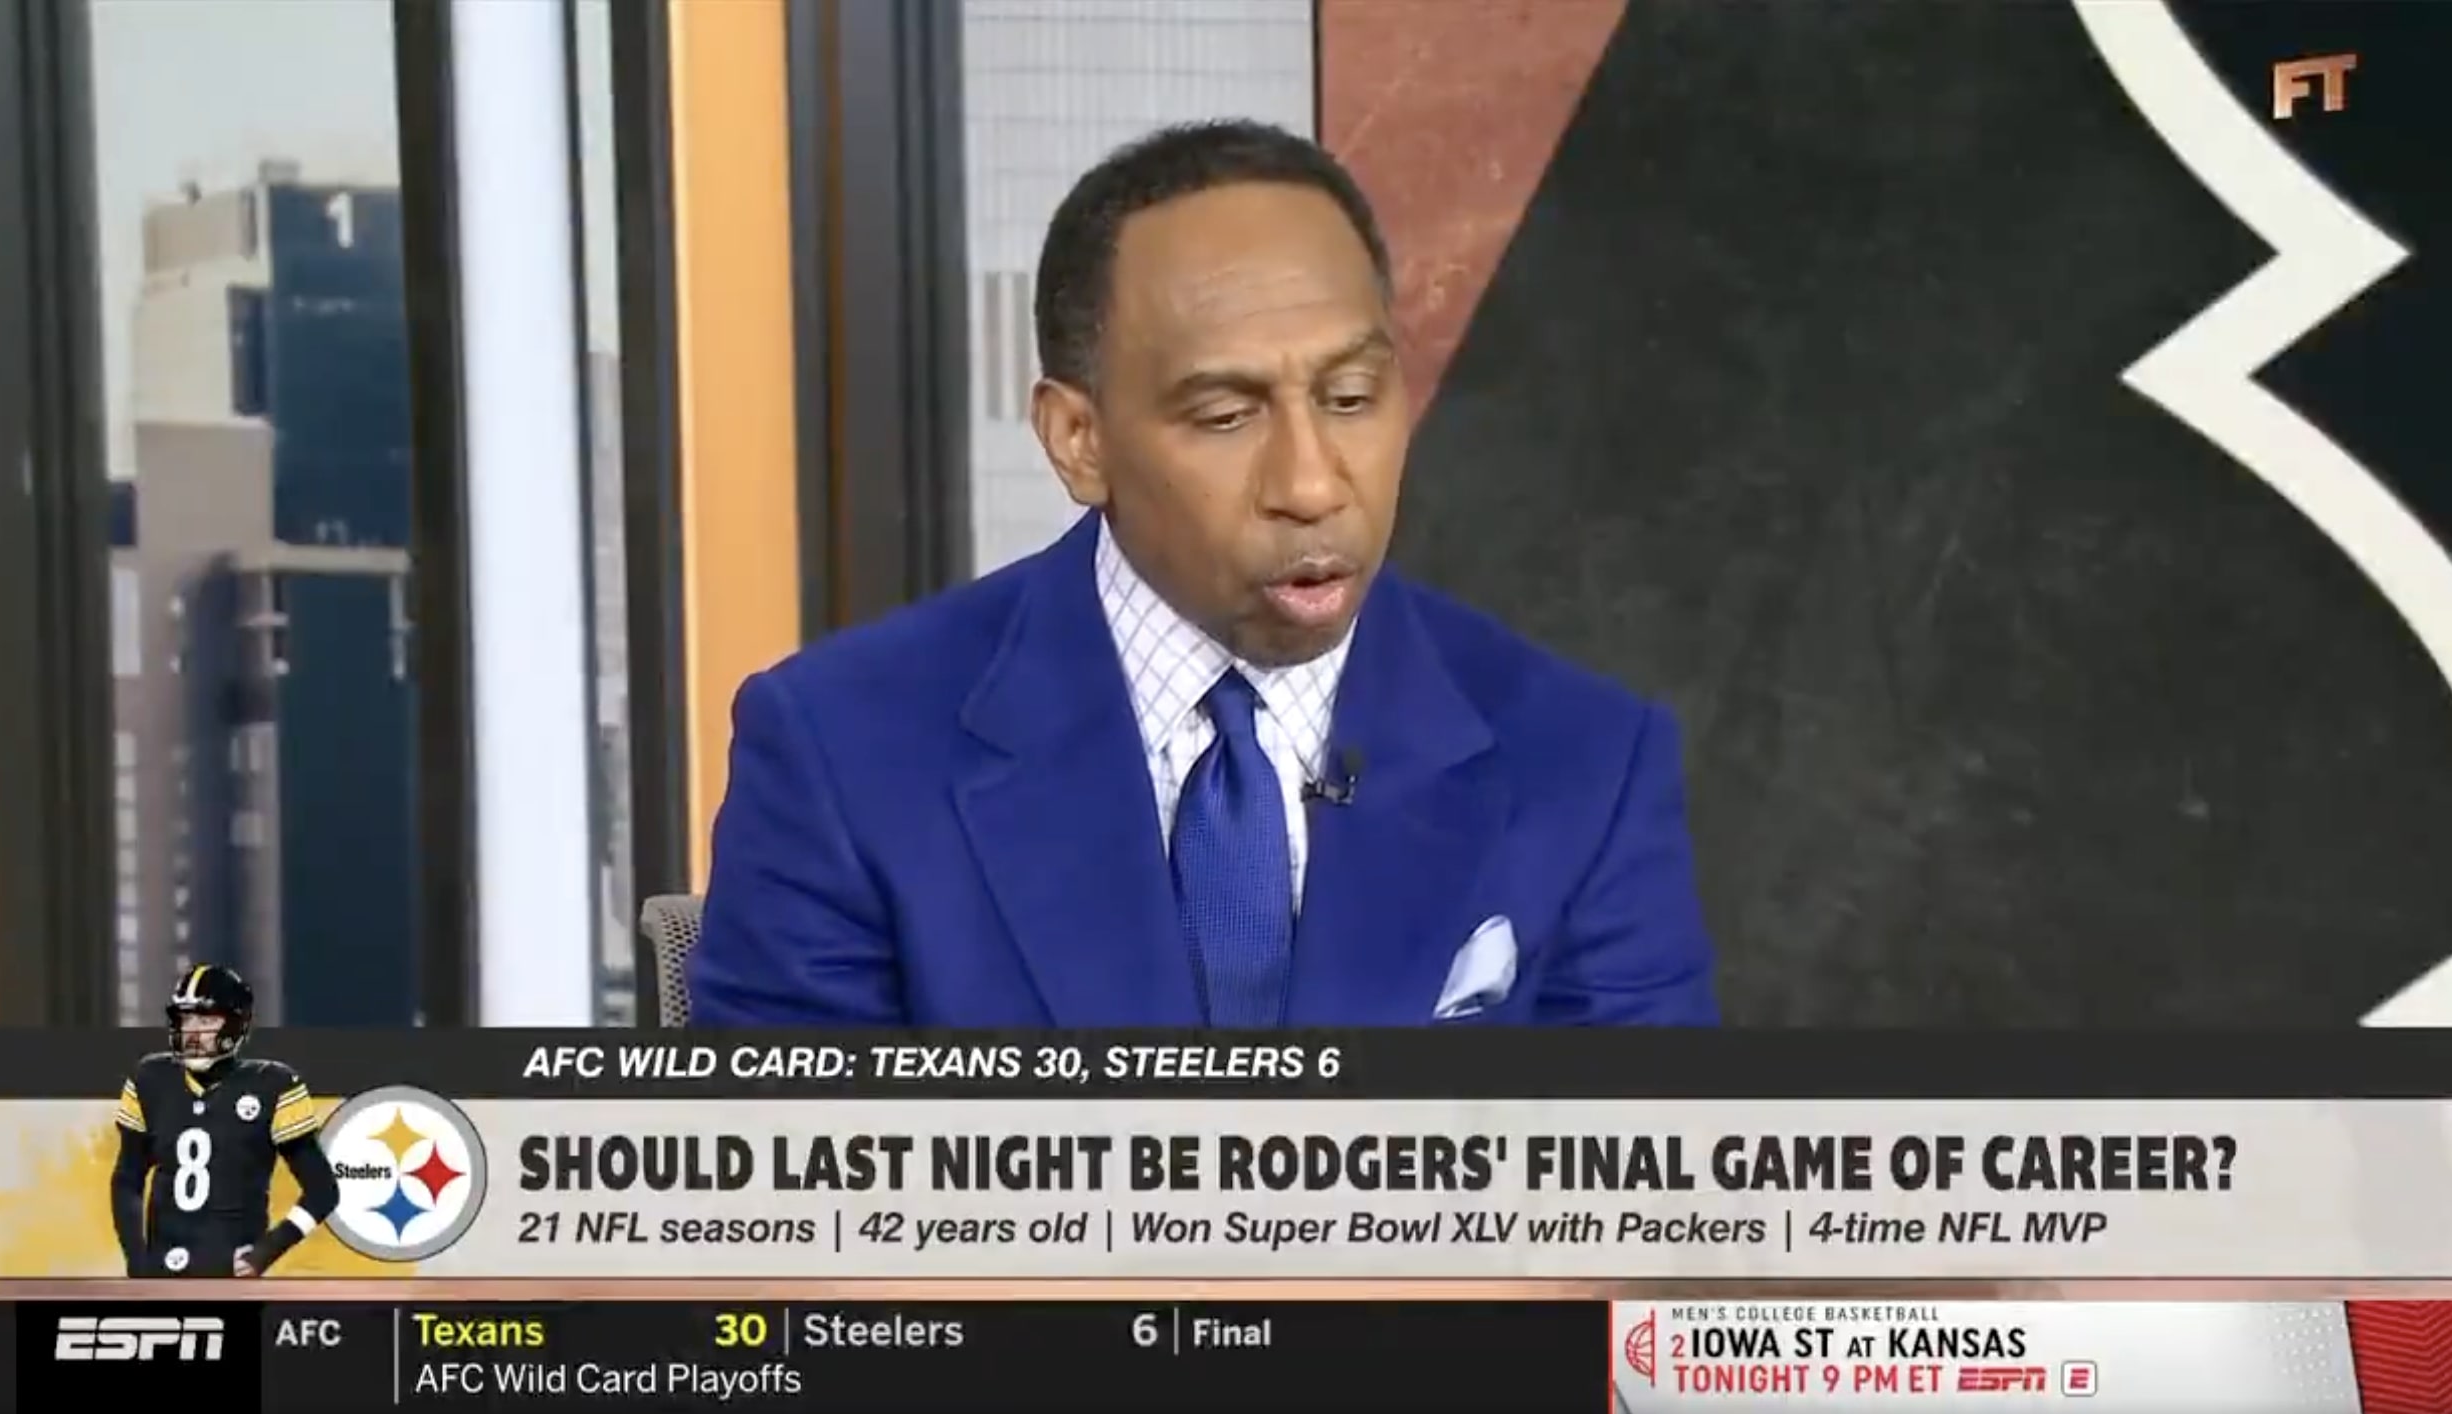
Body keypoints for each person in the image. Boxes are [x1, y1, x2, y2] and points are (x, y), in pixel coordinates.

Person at [692, 119, 1715, 1028]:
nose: (1311, 484)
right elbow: (799, 1181)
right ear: (1079, 439)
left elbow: (1642, 1175)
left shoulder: (1586, 764)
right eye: (1226, 416)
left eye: (1352, 398)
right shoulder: (842, 756)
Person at [110, 965, 340, 1276]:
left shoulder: (272, 1084)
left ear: (235, 1024)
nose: (193, 1032)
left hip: (231, 1275)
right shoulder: (151, 1078)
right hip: (162, 1271)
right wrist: (137, 1260)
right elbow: (127, 1179)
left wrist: (266, 1251)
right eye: (186, 1019)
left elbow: (323, 1191)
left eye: (206, 1020)